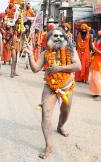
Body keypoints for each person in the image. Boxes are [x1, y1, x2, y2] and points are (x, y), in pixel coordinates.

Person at [24, 28, 81, 159]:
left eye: (61, 36)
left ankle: (60, 127)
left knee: (65, 112)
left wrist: (59, 68)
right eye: (55, 36)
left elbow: (78, 66)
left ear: (65, 38)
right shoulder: (45, 53)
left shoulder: (71, 50)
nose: (58, 38)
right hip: (50, 87)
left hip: (67, 87)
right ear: (49, 38)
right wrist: (31, 55)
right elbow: (35, 69)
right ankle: (49, 146)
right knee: (46, 115)